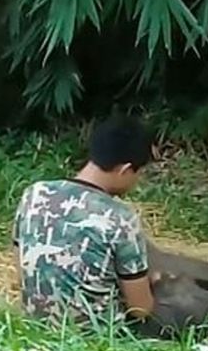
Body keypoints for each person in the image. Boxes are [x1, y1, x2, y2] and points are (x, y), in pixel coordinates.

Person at [11, 115, 158, 332]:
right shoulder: (121, 219)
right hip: (98, 339)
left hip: (37, 328)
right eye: (139, 174)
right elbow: (140, 309)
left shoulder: (34, 194)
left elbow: (21, 269)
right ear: (125, 169)